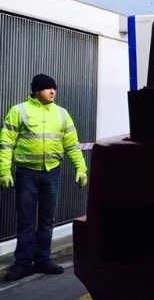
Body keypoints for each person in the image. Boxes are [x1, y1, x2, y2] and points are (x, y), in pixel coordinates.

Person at [0, 74, 88, 282]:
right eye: (47, 88)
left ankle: (43, 260)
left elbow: (72, 144)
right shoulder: (19, 111)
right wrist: (4, 171)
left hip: (52, 172)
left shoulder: (62, 114)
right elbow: (6, 143)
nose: (52, 92)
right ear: (36, 91)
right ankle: (23, 263)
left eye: (54, 88)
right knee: (26, 219)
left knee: (48, 218)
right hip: (26, 173)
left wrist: (81, 168)